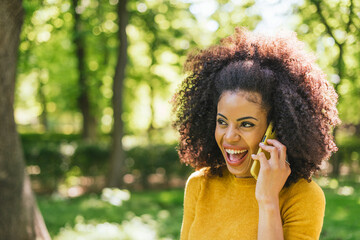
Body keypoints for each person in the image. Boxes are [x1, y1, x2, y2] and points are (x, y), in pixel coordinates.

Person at [171, 27, 340, 240]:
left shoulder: (303, 196)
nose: (229, 136)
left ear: (276, 130)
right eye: (222, 122)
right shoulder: (200, 184)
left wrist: (268, 200)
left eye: (246, 124)